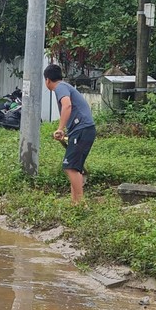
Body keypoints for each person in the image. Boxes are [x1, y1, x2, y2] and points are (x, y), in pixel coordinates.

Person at [44, 64, 96, 206]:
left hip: (82, 129)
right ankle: (75, 203)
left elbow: (67, 105)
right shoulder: (66, 86)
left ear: (47, 80)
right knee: (74, 167)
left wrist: (60, 128)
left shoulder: (60, 87)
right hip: (83, 129)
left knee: (70, 167)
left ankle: (80, 204)